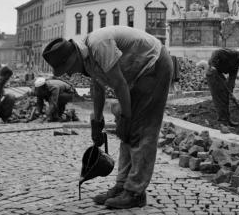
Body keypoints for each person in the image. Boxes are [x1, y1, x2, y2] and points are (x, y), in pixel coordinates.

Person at [42, 26, 173, 209]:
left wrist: (126, 119)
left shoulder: (99, 45)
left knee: (140, 129)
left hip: (154, 65)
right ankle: (122, 186)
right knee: (126, 132)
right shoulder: (87, 57)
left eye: (67, 68)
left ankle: (135, 192)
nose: (69, 73)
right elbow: (98, 87)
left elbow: (119, 85)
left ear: (73, 57)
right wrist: (97, 121)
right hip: (137, 73)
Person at [206, 46, 239, 126]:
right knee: (219, 97)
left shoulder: (237, 63)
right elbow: (216, 52)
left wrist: (230, 91)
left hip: (219, 74)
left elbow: (232, 78)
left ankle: (227, 120)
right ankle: (223, 121)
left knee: (226, 95)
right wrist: (213, 65)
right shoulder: (232, 53)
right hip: (212, 72)